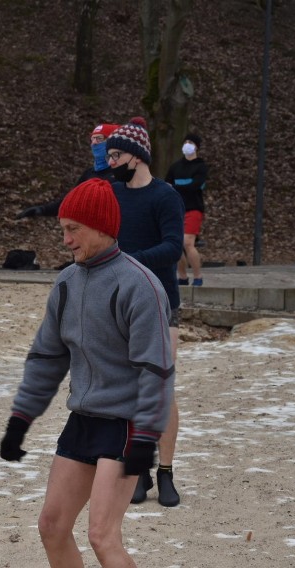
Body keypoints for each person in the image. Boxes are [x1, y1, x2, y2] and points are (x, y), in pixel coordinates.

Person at [0, 178, 175, 567]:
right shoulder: (66, 282)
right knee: (51, 525)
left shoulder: (139, 285)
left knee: (102, 536)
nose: (66, 240)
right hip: (84, 419)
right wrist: (19, 421)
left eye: (73, 229)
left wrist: (145, 441)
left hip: (127, 425)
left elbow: (156, 371)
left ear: (101, 227)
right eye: (63, 229)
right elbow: (47, 357)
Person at [105, 117, 185, 507]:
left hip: (162, 302)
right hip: (122, 304)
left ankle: (165, 472)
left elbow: (173, 247)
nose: (110, 162)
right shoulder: (112, 194)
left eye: (116, 154)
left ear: (136, 156)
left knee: (160, 390)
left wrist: (130, 261)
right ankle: (137, 471)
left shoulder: (165, 196)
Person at [15, 123, 118, 220]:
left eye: (99, 139)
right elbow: (70, 200)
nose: (94, 143)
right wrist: (42, 210)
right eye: (92, 139)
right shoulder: (89, 173)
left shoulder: (122, 174)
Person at [166, 133, 208, 286]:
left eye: (190, 142)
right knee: (176, 243)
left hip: (193, 209)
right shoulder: (175, 167)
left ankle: (198, 276)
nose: (187, 144)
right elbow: (166, 185)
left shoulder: (201, 167)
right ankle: (182, 277)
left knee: (188, 243)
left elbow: (194, 186)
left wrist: (176, 187)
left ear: (196, 146)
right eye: (185, 141)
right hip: (177, 209)